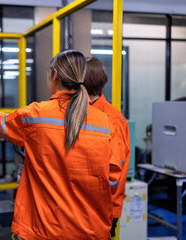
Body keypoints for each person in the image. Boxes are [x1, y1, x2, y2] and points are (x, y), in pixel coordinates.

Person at [0, 50, 121, 240]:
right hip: (91, 229)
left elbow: (4, 123)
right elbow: (113, 179)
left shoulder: (35, 115)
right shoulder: (105, 121)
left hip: (44, 230)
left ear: (55, 75)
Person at [84, 56, 131, 237]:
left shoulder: (112, 119)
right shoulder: (82, 111)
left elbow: (114, 173)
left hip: (103, 208)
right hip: (84, 205)